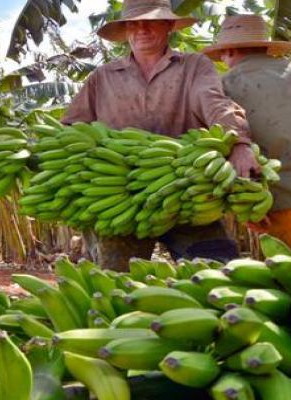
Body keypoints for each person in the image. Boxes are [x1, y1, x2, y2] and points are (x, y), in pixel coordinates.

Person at [62, 0, 258, 270]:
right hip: (119, 196)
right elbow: (72, 127)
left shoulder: (194, 66)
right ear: (126, 30)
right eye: (133, 23)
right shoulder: (102, 77)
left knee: (218, 274)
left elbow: (215, 103)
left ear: (168, 25)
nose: (141, 29)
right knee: (115, 283)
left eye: (150, 21)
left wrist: (239, 143)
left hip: (186, 190)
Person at [202, 14, 291, 254]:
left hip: (279, 203)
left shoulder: (222, 88)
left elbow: (227, 148)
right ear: (264, 47)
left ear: (229, 52)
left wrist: (248, 208)